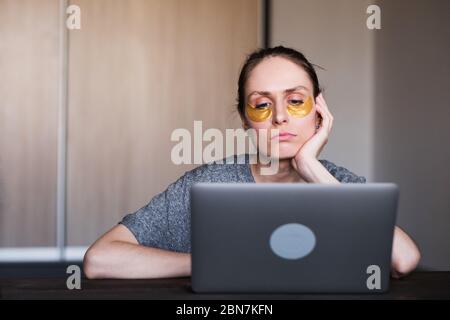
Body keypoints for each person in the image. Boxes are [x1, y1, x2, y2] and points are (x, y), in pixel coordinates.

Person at [83, 46, 420, 279]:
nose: (280, 117)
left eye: (296, 101)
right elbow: (100, 259)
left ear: (319, 112)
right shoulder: (209, 182)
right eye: (262, 105)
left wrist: (312, 169)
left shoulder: (337, 183)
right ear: (246, 119)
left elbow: (403, 260)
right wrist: (212, 264)